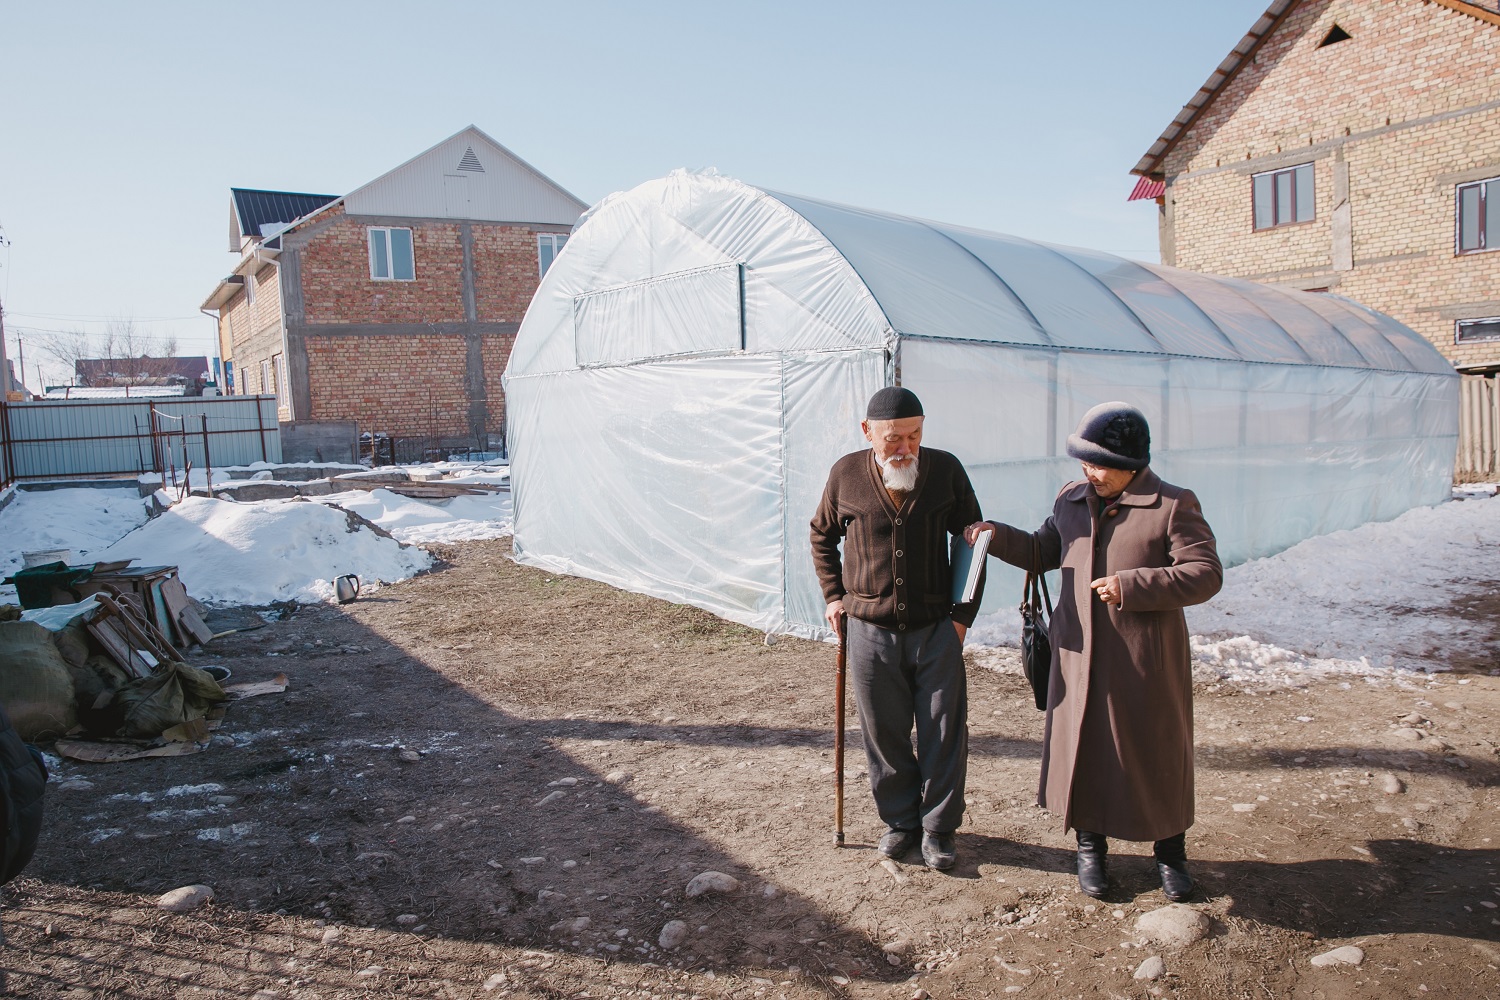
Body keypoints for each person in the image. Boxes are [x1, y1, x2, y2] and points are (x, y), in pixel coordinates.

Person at [965, 402, 1221, 901]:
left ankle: (1170, 854)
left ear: (1132, 465)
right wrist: (996, 537)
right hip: (1077, 658)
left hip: (1145, 660)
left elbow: (1205, 573)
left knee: (1155, 753)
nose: (1088, 471)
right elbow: (1044, 550)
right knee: (1084, 752)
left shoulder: (1173, 504)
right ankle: (1090, 849)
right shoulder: (1072, 498)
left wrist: (1133, 585)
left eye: (1098, 463)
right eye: (1084, 461)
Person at [811, 386, 984, 871]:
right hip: (868, 630)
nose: (905, 447)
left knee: (944, 731)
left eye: (914, 435)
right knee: (883, 733)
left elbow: (975, 540)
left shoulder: (945, 470)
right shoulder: (845, 474)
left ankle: (938, 829)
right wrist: (833, 597)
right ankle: (901, 822)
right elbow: (821, 535)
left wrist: (961, 618)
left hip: (936, 630)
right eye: (893, 439)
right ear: (868, 432)